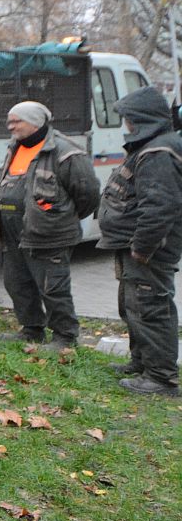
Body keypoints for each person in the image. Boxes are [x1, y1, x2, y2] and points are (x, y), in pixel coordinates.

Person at [0, 100, 99, 350]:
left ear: (36, 123)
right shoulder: (14, 147)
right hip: (14, 234)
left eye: (17, 121)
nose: (10, 126)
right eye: (10, 120)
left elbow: (88, 194)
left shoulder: (64, 151)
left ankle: (65, 337)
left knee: (53, 287)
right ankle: (31, 329)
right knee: (17, 283)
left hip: (49, 235)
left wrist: (57, 218)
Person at [96, 86, 182, 396]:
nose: (126, 124)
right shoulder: (151, 146)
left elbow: (160, 207)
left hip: (148, 250)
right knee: (133, 306)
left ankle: (160, 378)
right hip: (134, 247)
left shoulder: (158, 152)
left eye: (129, 118)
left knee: (151, 308)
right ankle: (142, 363)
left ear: (142, 118)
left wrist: (142, 248)